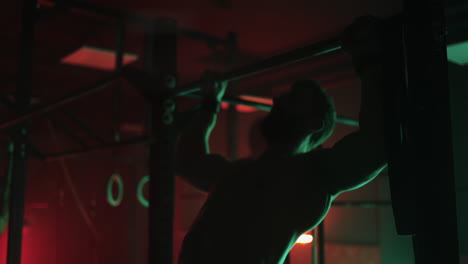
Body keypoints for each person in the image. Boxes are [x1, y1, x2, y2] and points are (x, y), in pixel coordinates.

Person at [177, 15, 387, 264]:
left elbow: (376, 143)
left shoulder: (313, 175)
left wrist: (367, 61)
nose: (278, 100)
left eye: (294, 98)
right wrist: (209, 105)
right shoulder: (238, 172)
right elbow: (188, 161)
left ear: (313, 124)